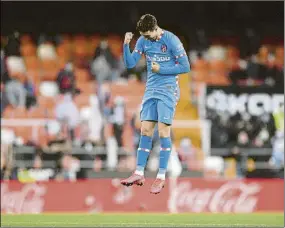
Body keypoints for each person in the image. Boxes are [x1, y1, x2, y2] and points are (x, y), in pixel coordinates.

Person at [120, 14, 190, 194]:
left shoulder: (172, 40)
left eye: (148, 34)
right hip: (151, 90)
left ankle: (160, 177)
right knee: (145, 130)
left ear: (155, 27)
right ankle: (138, 172)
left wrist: (163, 69)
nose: (146, 38)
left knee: (164, 131)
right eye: (143, 35)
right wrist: (126, 45)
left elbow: (185, 66)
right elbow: (130, 64)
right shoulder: (143, 40)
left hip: (168, 90)